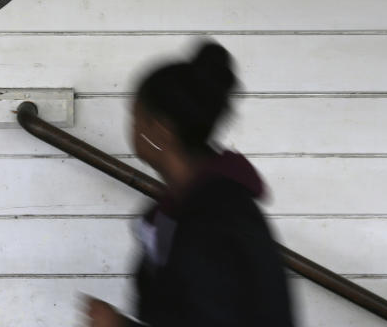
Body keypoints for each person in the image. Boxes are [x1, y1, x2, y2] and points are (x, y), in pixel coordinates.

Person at [85, 41, 294, 326]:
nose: (131, 128)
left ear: (159, 133)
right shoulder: (182, 209)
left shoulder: (214, 221)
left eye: (136, 118)